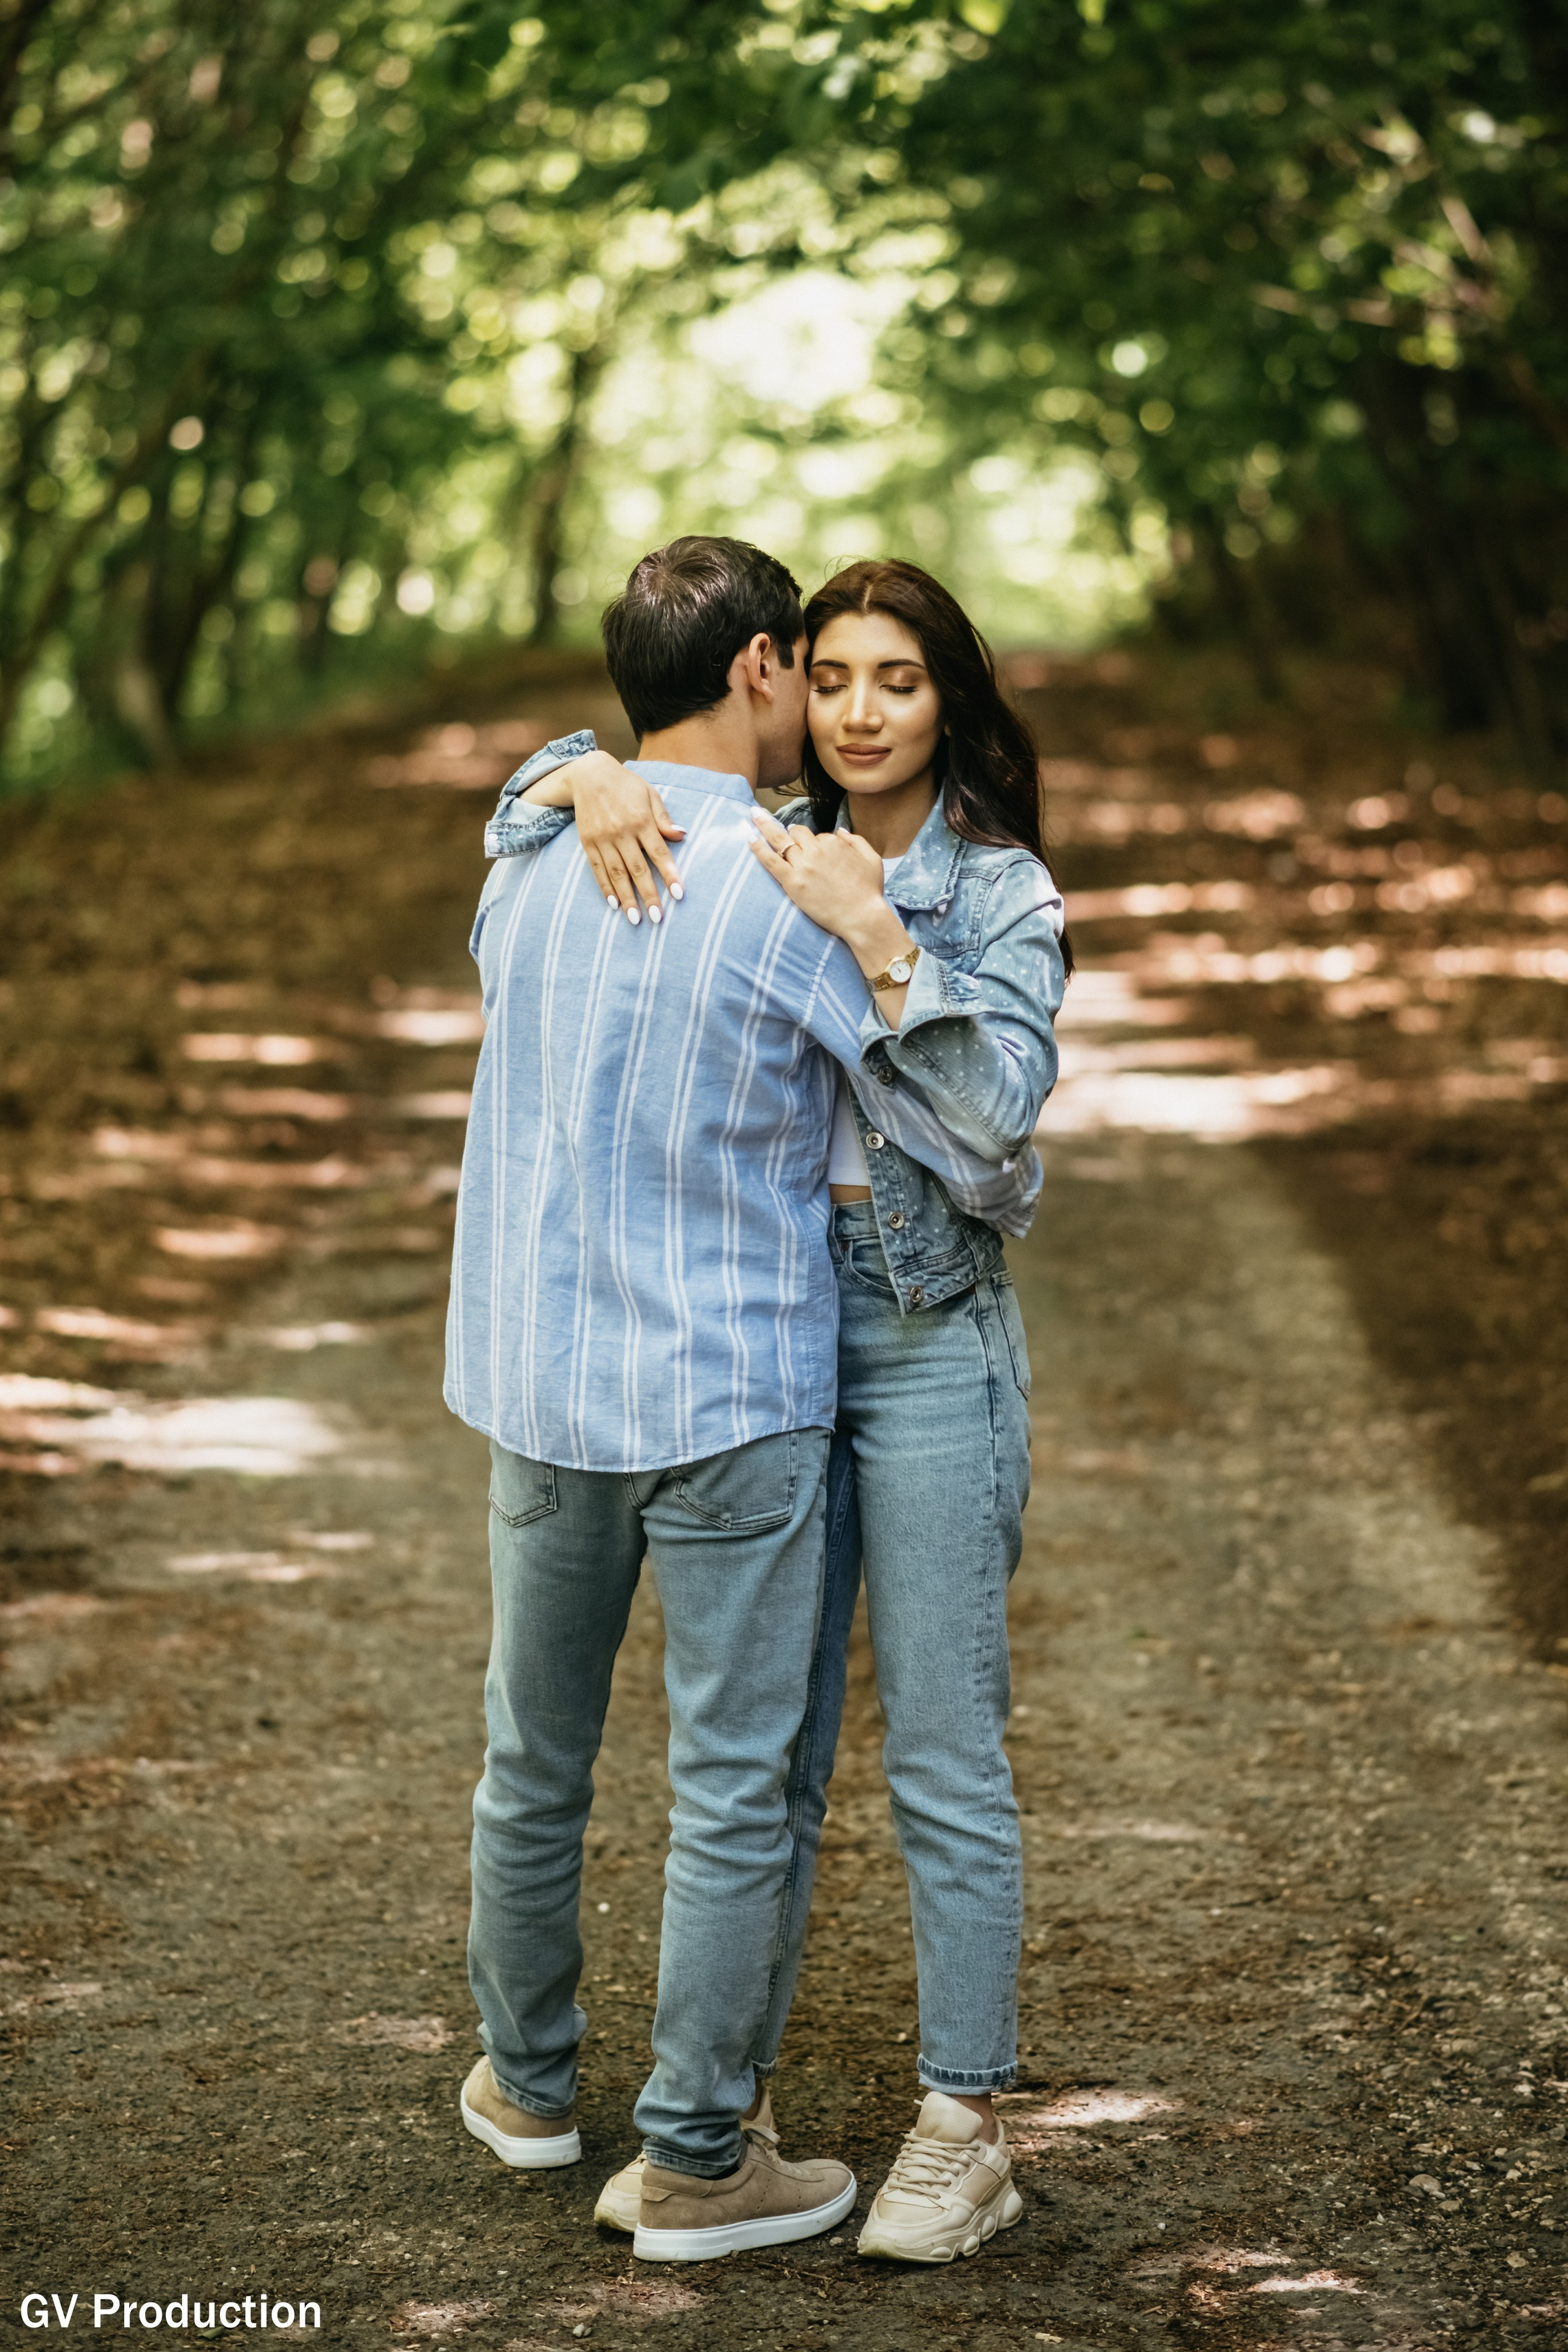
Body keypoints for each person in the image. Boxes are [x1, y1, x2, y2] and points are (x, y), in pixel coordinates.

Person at [447, 537, 1033, 2264]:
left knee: (531, 1757)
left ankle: (530, 2090)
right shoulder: (792, 888)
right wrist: (878, 950)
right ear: (768, 668)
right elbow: (975, 1137)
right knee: (730, 1783)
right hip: (727, 1401)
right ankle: (701, 2158)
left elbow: (517, 807)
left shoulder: (534, 867)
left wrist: (578, 768)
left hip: (541, 1392)